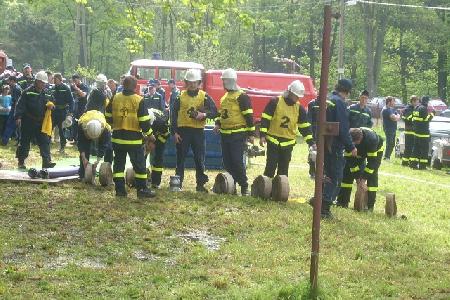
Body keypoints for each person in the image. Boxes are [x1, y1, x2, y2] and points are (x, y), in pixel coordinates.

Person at [105, 75, 156, 198]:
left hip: (117, 138)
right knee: (139, 166)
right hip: (133, 140)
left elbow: (107, 114)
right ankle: (142, 190)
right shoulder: (138, 100)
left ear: (123, 85)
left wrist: (115, 124)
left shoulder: (115, 98)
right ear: (134, 86)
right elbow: (144, 121)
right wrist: (150, 135)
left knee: (118, 165)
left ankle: (120, 191)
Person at [312, 79, 357, 219]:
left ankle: (318, 199)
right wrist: (351, 146)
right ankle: (324, 207)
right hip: (335, 145)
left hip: (324, 142)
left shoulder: (328, 100)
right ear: (347, 91)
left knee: (326, 174)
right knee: (335, 176)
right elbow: (343, 128)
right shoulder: (339, 103)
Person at [170, 68, 218, 192]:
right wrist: (174, 132)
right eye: (190, 82)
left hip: (198, 132)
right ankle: (178, 183)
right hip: (183, 131)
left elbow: (214, 111)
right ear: (186, 82)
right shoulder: (180, 97)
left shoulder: (204, 96)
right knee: (180, 158)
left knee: (199, 158)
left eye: (194, 82)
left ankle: (200, 185)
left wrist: (204, 115)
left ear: (199, 83)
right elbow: (173, 115)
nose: (192, 85)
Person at [260, 80, 314, 178]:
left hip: (288, 143)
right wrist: (262, 135)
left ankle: (279, 190)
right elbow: (265, 119)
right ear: (289, 92)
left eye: (299, 97)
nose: (297, 98)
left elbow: (304, 127)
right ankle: (266, 189)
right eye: (296, 96)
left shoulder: (299, 109)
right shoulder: (275, 102)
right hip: (273, 140)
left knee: (283, 170)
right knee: (270, 166)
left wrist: (311, 142)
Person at [215, 68, 255, 196]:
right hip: (225, 134)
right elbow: (222, 114)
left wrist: (251, 134)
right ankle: (232, 186)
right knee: (227, 162)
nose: (223, 83)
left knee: (237, 161)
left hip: (237, 134)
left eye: (224, 80)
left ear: (230, 81)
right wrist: (217, 124)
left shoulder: (242, 97)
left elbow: (249, 116)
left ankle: (244, 186)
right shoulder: (224, 98)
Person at [14, 71, 56, 169]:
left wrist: (52, 106)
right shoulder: (27, 92)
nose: (43, 84)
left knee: (45, 141)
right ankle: (21, 161)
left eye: (44, 82)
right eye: (42, 82)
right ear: (36, 81)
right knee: (24, 142)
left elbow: (53, 102)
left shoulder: (47, 93)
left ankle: (46, 162)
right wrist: (18, 117)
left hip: (41, 122)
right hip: (28, 121)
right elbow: (20, 105)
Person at [337, 127, 384, 211]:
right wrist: (358, 179)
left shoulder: (371, 140)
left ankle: (369, 206)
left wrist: (363, 180)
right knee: (347, 171)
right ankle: (342, 202)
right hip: (360, 150)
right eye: (352, 143)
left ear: (361, 138)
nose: (354, 145)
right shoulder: (349, 141)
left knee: (372, 174)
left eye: (355, 143)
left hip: (376, 149)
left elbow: (372, 163)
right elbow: (350, 161)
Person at [77, 110, 113, 179]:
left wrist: (97, 161)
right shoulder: (81, 125)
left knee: (109, 149)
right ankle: (82, 174)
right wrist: (84, 158)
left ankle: (107, 172)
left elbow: (103, 146)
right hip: (87, 122)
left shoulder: (105, 129)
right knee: (85, 150)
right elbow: (81, 144)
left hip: (101, 126)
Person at [146, 108, 170, 189]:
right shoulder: (143, 117)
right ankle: (142, 178)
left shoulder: (162, 123)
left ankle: (156, 182)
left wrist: (155, 143)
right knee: (141, 155)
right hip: (149, 135)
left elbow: (166, 135)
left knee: (158, 157)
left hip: (161, 136)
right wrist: (147, 143)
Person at [51, 73, 74, 153]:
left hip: (62, 112)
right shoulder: (52, 88)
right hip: (53, 112)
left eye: (55, 79)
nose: (54, 80)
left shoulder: (65, 88)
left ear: (60, 79)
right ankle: (46, 145)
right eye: (53, 79)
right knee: (49, 128)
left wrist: (70, 113)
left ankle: (62, 147)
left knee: (61, 130)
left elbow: (71, 101)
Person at [410, 96, 434, 170]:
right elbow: (426, 119)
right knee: (424, 150)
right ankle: (422, 166)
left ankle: (413, 164)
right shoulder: (423, 109)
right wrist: (432, 114)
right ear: (426, 102)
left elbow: (413, 119)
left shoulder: (416, 108)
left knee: (416, 149)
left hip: (417, 132)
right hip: (423, 133)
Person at [1, 76, 22, 145]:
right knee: (16, 126)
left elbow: (17, 102)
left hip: (15, 110)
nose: (8, 82)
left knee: (10, 125)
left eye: (9, 81)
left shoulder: (17, 89)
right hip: (15, 109)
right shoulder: (14, 87)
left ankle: (4, 141)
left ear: (13, 81)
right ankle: (19, 141)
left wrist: (16, 112)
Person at [70, 74, 89, 142]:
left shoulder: (84, 86)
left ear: (79, 79)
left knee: (81, 123)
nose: (74, 82)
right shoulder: (72, 86)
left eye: (75, 80)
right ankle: (74, 138)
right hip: (75, 107)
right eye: (73, 81)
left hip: (82, 107)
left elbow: (83, 95)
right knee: (74, 122)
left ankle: (81, 139)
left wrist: (76, 88)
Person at [401, 95, 419, 166]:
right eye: (416, 101)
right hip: (409, 131)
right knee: (409, 147)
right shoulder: (408, 109)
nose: (417, 103)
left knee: (412, 148)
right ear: (413, 101)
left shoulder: (414, 109)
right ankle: (405, 162)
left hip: (413, 131)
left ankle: (408, 162)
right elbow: (408, 119)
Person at [381, 96, 400, 160]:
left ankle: (387, 156)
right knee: (389, 143)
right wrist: (396, 117)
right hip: (388, 128)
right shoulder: (386, 109)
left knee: (392, 144)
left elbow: (397, 116)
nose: (394, 102)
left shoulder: (392, 109)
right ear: (389, 102)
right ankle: (386, 157)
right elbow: (394, 118)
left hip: (393, 128)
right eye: (393, 101)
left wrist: (397, 116)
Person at [307, 97, 319, 178]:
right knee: (313, 153)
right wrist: (310, 134)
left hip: (323, 132)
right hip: (314, 132)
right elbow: (309, 120)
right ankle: (312, 172)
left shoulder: (327, 103)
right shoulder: (312, 104)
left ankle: (321, 172)